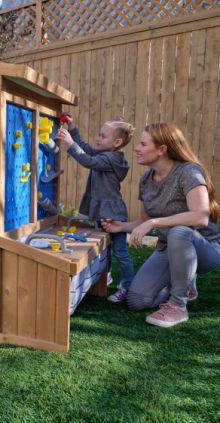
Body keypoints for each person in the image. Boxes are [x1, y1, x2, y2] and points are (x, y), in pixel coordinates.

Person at [102, 122, 220, 327]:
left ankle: (178, 305)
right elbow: (144, 222)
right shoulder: (146, 179)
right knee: (136, 301)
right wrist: (120, 227)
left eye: (143, 144)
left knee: (179, 232)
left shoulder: (188, 172)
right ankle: (182, 283)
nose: (137, 148)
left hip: (204, 249)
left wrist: (156, 222)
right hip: (169, 247)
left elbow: (200, 217)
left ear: (162, 149)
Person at [56, 117, 136, 302]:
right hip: (103, 210)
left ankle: (128, 285)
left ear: (117, 142)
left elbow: (87, 160)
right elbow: (87, 149)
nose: (98, 139)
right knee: (104, 248)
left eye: (103, 136)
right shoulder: (105, 155)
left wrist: (69, 143)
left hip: (112, 213)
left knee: (120, 251)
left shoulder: (111, 159)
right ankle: (105, 277)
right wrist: (73, 129)